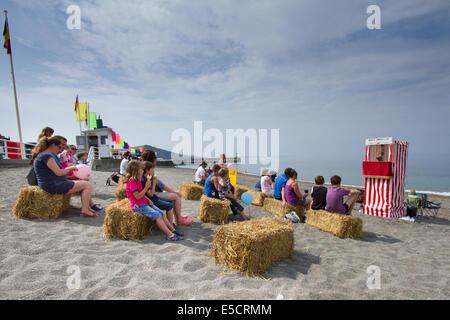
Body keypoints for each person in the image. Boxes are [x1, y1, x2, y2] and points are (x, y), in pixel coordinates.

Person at [31, 136, 99, 217]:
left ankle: (87, 207)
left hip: (51, 183)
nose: (60, 150)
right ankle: (85, 210)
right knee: (87, 185)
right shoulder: (46, 156)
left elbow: (54, 174)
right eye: (59, 147)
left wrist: (73, 176)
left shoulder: (42, 156)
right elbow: (59, 173)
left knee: (83, 182)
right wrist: (71, 168)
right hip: (52, 185)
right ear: (53, 145)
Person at [124, 160, 183, 241]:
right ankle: (170, 235)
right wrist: (146, 187)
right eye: (141, 169)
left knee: (161, 213)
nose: (142, 170)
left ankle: (172, 230)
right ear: (136, 170)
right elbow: (137, 196)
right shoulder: (132, 182)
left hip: (144, 202)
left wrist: (148, 200)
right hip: (137, 205)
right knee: (157, 215)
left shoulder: (137, 180)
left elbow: (142, 195)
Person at [141, 150, 192, 226]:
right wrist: (174, 192)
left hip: (152, 193)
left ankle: (178, 216)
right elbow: (161, 185)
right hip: (153, 194)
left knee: (175, 194)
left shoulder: (144, 167)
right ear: (154, 159)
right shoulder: (149, 170)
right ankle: (179, 221)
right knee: (176, 196)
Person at [141, 161, 178, 226]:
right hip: (152, 200)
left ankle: (168, 222)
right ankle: (170, 225)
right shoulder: (144, 180)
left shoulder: (147, 178)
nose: (153, 171)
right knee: (169, 206)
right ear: (147, 170)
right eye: (152, 169)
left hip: (153, 198)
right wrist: (154, 183)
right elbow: (151, 194)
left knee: (170, 201)